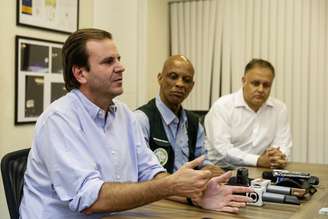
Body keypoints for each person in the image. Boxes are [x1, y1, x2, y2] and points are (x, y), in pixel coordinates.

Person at [19, 28, 251, 219]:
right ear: (80, 73)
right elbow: (90, 199)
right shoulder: (59, 120)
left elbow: (150, 172)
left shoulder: (124, 115)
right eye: (108, 61)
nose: (121, 67)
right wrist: (172, 185)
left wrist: (194, 195)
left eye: (118, 59)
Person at [135, 55, 224, 177]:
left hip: (189, 193)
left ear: (192, 86)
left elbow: (202, 161)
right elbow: (141, 170)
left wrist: (209, 169)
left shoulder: (194, 123)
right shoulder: (141, 119)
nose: (180, 84)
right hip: (156, 194)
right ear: (160, 78)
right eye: (173, 77)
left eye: (186, 80)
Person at [204, 58, 292, 169]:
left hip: (259, 170)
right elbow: (223, 149)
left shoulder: (279, 108)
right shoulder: (222, 106)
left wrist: (278, 157)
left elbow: (283, 145)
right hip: (221, 170)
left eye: (266, 85)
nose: (261, 89)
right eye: (255, 83)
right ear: (243, 81)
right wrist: (257, 160)